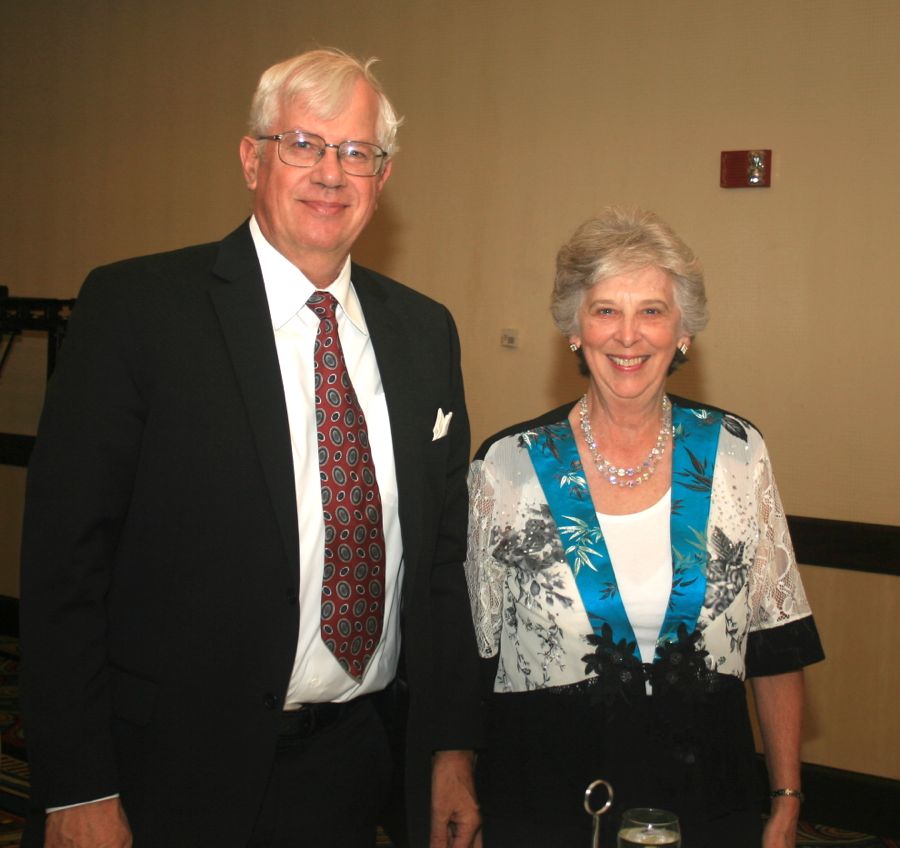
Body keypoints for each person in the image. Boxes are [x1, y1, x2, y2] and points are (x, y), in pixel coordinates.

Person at [21, 48, 482, 848]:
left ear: (384, 175)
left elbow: (440, 566)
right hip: (164, 776)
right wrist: (77, 785)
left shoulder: (423, 333)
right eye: (302, 144)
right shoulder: (138, 311)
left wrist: (450, 748)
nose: (330, 173)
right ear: (251, 158)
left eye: (356, 152)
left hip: (353, 765)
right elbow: (65, 567)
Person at [465, 207, 824, 847]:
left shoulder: (737, 453)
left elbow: (777, 644)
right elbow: (472, 656)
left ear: (683, 331)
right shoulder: (508, 468)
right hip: (548, 804)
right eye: (605, 310)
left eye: (652, 311)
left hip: (710, 801)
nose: (628, 335)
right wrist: (454, 776)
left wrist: (788, 800)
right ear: (574, 328)